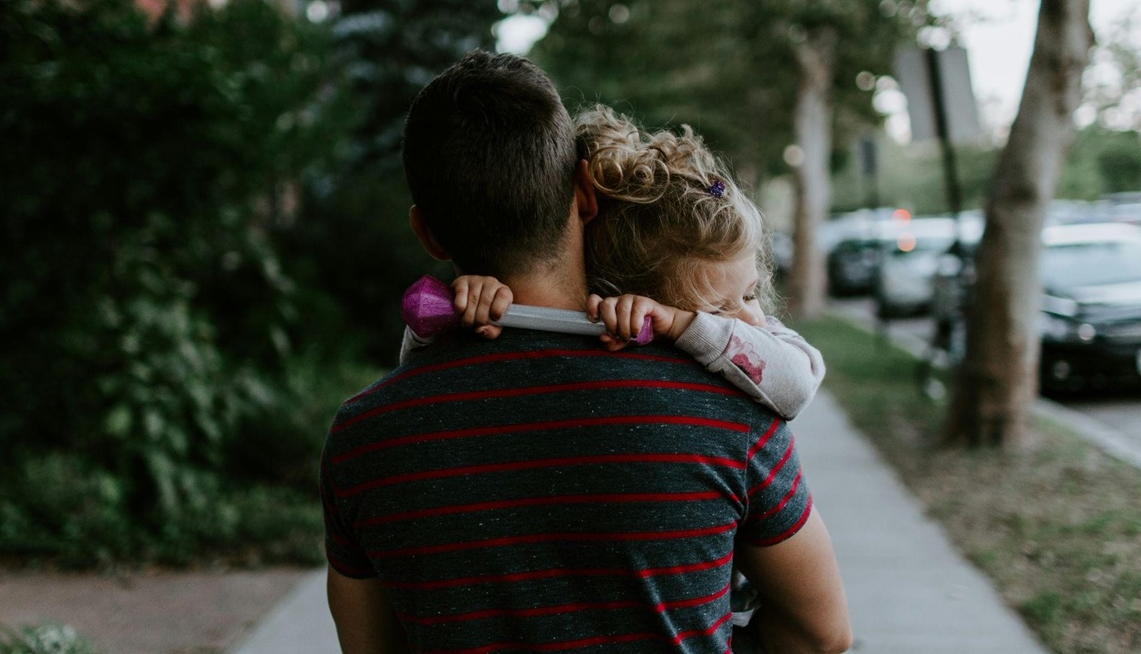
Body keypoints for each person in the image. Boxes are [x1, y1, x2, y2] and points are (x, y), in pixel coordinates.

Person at [320, 50, 851, 653]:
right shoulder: (727, 406)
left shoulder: (364, 438)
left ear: (428, 233)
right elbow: (820, 634)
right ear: (584, 190)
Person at [401, 104, 826, 630]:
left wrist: (686, 324)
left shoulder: (751, 341)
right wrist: (449, 321)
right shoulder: (675, 378)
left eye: (751, 293)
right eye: (717, 311)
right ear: (629, 307)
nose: (748, 319)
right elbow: (413, 377)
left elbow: (800, 381)